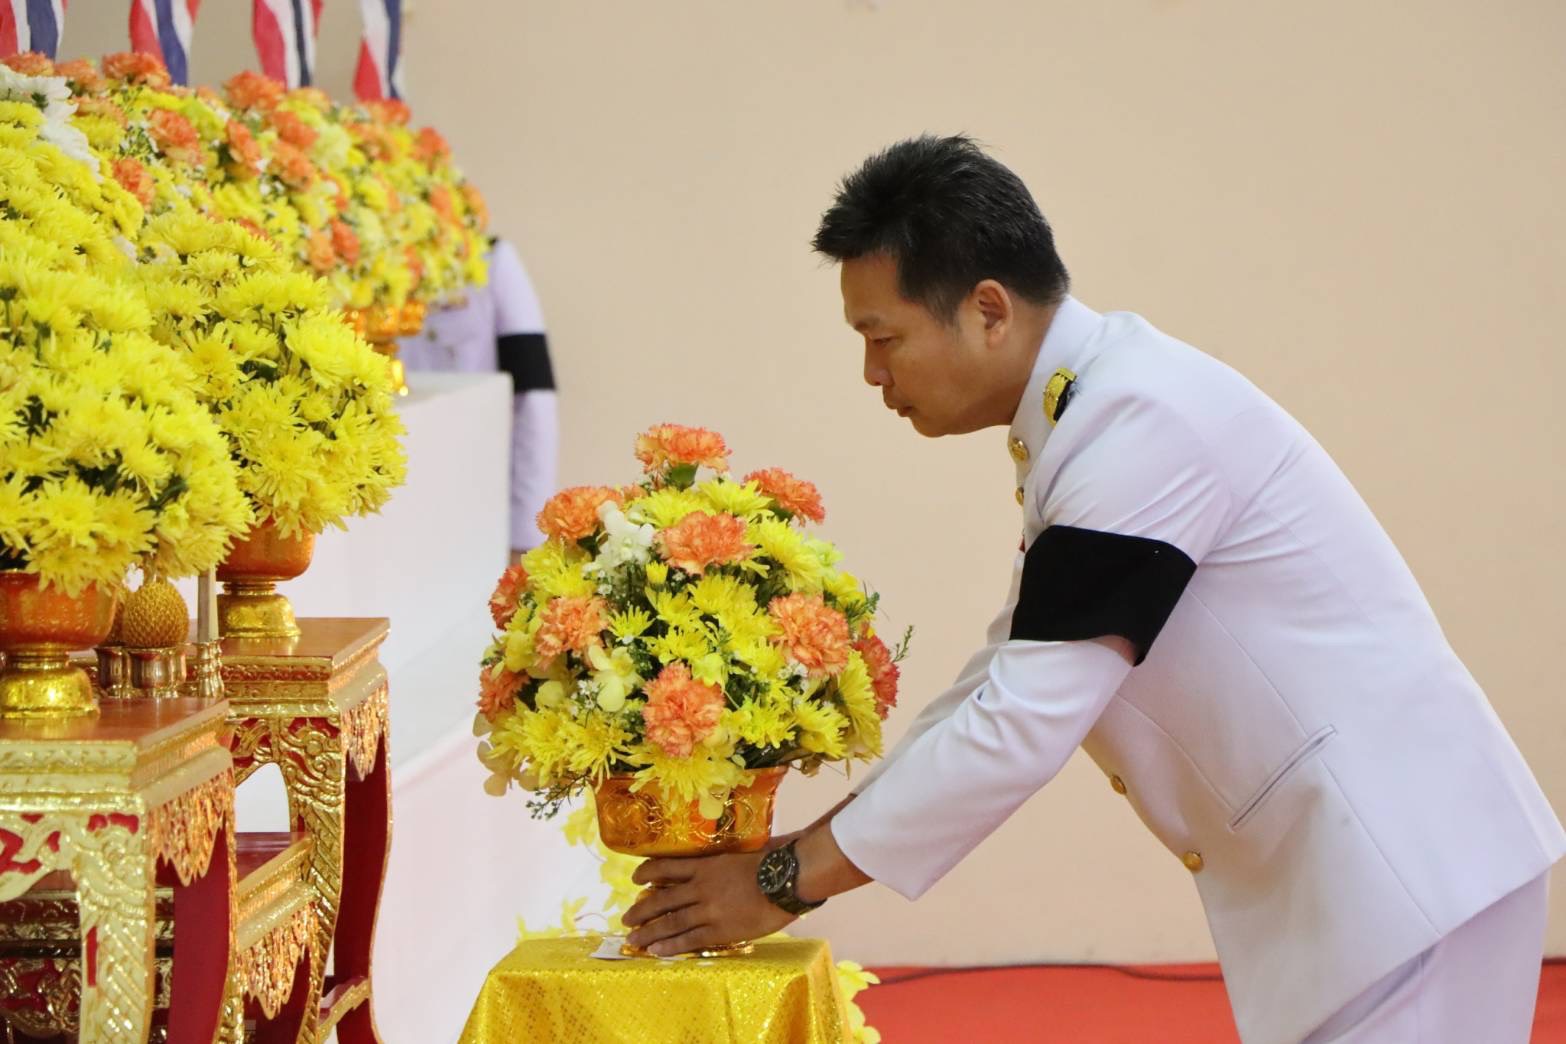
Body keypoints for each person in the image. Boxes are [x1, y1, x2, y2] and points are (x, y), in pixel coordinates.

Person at [621, 135, 1564, 1043]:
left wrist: (781, 882)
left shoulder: (1139, 422)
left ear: (989, 310)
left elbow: (1021, 724)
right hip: (1372, 872)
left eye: (884, 337)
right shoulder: (1094, 412)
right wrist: (786, 857)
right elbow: (995, 683)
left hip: (1405, 867)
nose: (873, 374)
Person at [400, 235, 558, 559]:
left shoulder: (489, 258)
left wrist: (526, 533)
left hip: (471, 501)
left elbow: (534, 395)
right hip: (382, 501)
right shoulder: (344, 260)